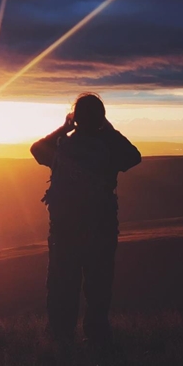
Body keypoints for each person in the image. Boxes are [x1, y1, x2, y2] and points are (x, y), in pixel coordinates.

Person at [31, 93, 142, 344]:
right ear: (101, 117)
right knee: (99, 282)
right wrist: (109, 131)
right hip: (100, 225)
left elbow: (36, 150)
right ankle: (97, 333)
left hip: (64, 227)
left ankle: (61, 334)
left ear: (76, 118)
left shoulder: (63, 147)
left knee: (62, 282)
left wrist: (64, 128)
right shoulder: (108, 147)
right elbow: (134, 157)